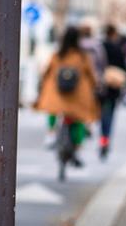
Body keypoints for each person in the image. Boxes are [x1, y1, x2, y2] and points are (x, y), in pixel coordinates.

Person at [35, 26, 101, 167]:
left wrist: (43, 84)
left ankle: (51, 133)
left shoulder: (58, 55)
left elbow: (46, 71)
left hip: (58, 94)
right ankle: (78, 149)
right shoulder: (83, 57)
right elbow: (92, 76)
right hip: (78, 96)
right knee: (79, 119)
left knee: (53, 109)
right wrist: (95, 86)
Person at [99, 24, 126, 159]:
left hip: (98, 87)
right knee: (109, 116)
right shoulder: (117, 48)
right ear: (114, 34)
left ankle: (100, 137)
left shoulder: (99, 46)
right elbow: (123, 67)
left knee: (98, 113)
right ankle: (105, 140)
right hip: (112, 88)